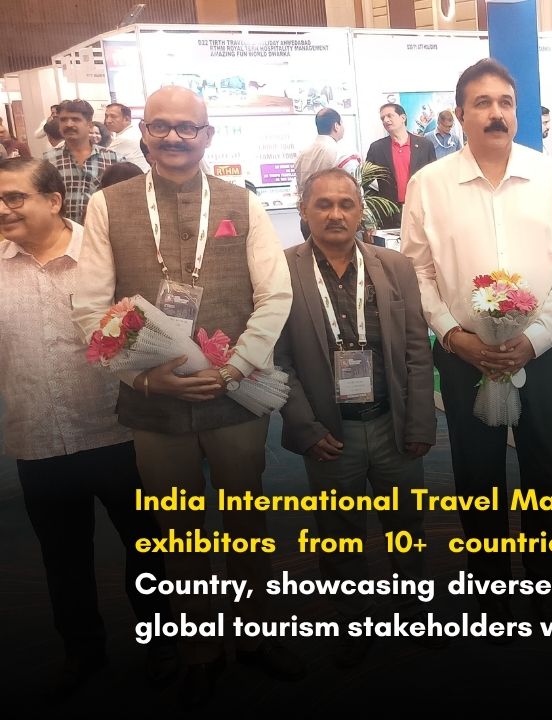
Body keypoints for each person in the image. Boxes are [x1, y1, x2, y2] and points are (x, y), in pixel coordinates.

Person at [70, 86, 301, 706]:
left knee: (246, 521)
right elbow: (90, 307)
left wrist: (234, 370)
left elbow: (274, 296)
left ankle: (255, 638)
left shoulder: (242, 203)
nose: (174, 137)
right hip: (153, 400)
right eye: (161, 126)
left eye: (187, 127)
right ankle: (199, 649)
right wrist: (142, 379)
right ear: (143, 132)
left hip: (234, 395)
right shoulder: (108, 205)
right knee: (180, 531)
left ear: (207, 135)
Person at [400, 59, 552, 623]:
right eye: (482, 103)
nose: (496, 113)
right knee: (477, 471)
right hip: (465, 355)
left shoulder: (550, 176)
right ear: (460, 114)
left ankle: (545, 580)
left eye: (505, 102)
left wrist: (536, 338)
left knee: (544, 466)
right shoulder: (430, 184)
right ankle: (489, 584)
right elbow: (417, 272)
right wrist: (453, 334)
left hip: (540, 352)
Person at [0, 157, 176, 693]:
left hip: (117, 432)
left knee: (148, 549)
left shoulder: (103, 257)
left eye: (13, 197)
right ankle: (82, 651)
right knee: (62, 559)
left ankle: (163, 645)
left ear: (54, 200)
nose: (3, 209)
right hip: (37, 439)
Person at [275, 168, 439, 668]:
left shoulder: (395, 266)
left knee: (406, 524)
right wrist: (305, 429)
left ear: (360, 210)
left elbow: (416, 349)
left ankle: (413, 611)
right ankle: (352, 617)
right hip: (329, 431)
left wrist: (421, 422)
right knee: (338, 533)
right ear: (303, 210)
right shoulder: (280, 270)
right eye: (323, 204)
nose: (335, 214)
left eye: (346, 204)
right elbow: (276, 360)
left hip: (393, 421)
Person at [42, 100, 119, 224]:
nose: (68, 124)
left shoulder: (113, 159)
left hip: (102, 229)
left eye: (75, 119)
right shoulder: (48, 161)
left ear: (89, 125)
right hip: (64, 231)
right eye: (63, 120)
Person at [366, 103, 436, 229]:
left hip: (420, 209)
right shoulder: (377, 148)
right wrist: (378, 207)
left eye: (389, 116)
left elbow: (434, 178)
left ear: (403, 118)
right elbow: (367, 181)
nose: (386, 120)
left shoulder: (425, 145)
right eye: (382, 118)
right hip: (390, 213)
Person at [295, 108, 357, 189]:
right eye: (342, 123)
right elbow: (354, 189)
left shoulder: (301, 154)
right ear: (336, 126)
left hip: (307, 197)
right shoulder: (342, 154)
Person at [103, 103, 149, 171]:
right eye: (106, 116)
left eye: (113, 116)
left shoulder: (124, 138)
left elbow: (101, 159)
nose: (108, 120)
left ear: (127, 119)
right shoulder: (134, 131)